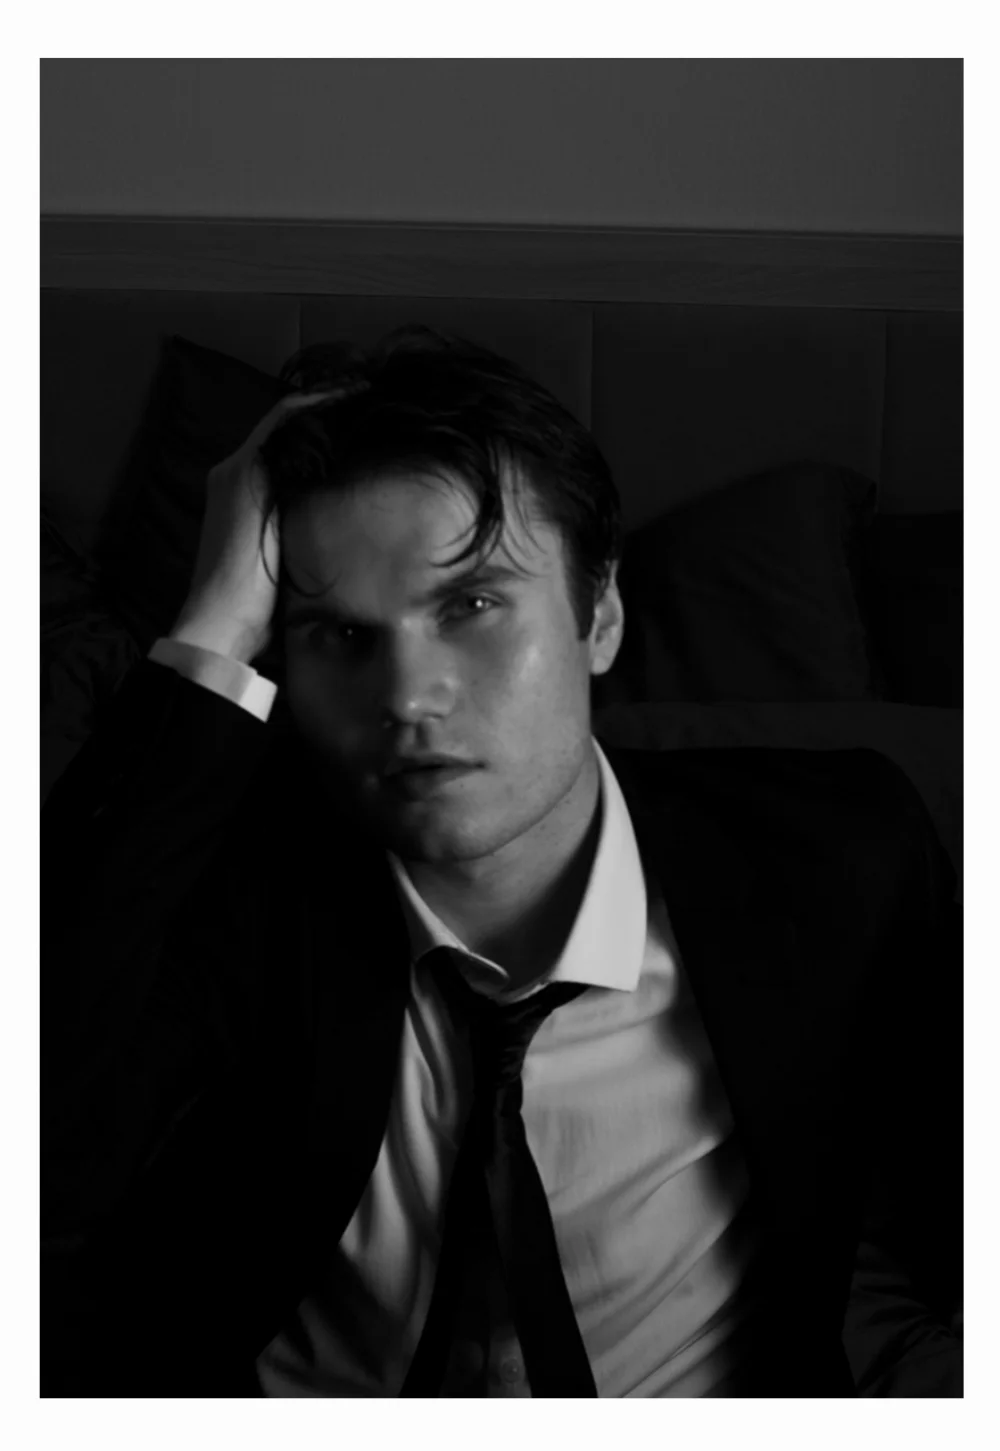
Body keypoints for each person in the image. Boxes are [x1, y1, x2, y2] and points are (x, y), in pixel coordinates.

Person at [41, 327, 962, 1398]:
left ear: (599, 614)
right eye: (340, 636)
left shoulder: (838, 855)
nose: (407, 696)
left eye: (471, 605)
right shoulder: (221, 888)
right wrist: (211, 625)